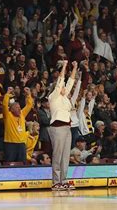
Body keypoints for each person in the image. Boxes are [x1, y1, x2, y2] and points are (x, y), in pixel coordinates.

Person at [48, 60, 78, 191]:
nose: (66, 87)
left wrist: (75, 67)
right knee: (58, 154)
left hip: (67, 128)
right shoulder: (53, 97)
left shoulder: (65, 98)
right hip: (57, 127)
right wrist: (65, 66)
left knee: (65, 156)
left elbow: (71, 81)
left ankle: (64, 180)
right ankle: (56, 182)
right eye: (63, 86)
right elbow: (61, 80)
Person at [2, 86, 33, 163]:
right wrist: (7, 94)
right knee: (9, 163)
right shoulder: (8, 115)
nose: (19, 109)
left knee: (22, 163)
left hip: (22, 144)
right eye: (16, 107)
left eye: (19, 107)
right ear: (11, 109)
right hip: (10, 144)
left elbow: (29, 105)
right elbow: (4, 105)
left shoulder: (22, 114)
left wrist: (29, 94)